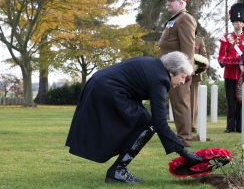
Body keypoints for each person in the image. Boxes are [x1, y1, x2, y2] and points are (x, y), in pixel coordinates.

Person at [65, 51, 203, 183]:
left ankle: (118, 169)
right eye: (183, 76)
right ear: (172, 72)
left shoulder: (154, 66)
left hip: (99, 83)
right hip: (107, 89)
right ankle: (118, 170)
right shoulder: (160, 79)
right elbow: (160, 122)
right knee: (147, 122)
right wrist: (184, 152)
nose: (183, 82)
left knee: (143, 120)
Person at [158, 0, 196, 146]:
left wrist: (186, 72)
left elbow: (188, 48)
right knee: (176, 104)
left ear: (181, 3)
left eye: (171, 1)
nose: (168, 3)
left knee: (181, 104)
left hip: (178, 72)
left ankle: (184, 139)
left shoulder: (185, 19)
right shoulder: (175, 19)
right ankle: (180, 137)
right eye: (168, 0)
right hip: (169, 70)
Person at [218, 3, 244, 133]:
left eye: (240, 22)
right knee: (230, 100)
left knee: (241, 100)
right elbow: (221, 58)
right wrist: (235, 61)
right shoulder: (226, 38)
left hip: (242, 74)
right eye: (236, 22)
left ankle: (239, 125)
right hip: (229, 74)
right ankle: (230, 125)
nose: (238, 24)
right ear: (233, 23)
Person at [191, 33, 209, 133]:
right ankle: (183, 123)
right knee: (182, 101)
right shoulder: (180, 37)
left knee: (193, 102)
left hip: (195, 76)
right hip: (181, 75)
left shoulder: (199, 40)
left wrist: (199, 65)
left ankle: (192, 125)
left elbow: (204, 56)